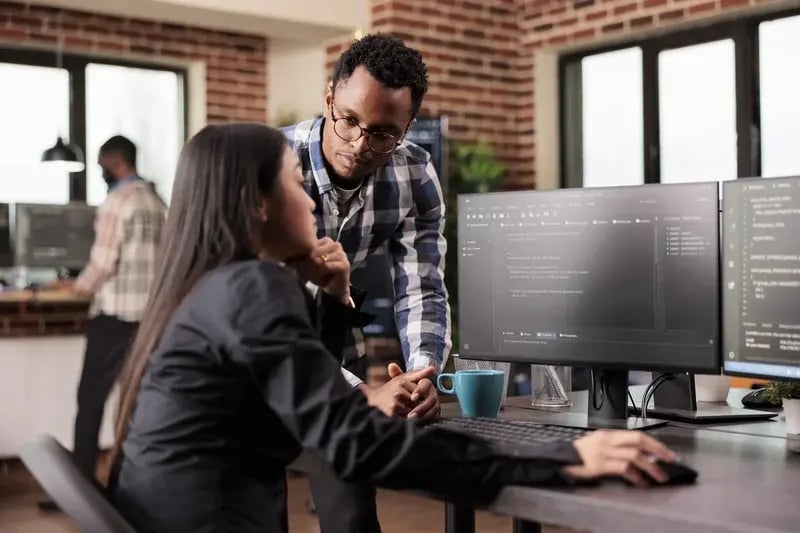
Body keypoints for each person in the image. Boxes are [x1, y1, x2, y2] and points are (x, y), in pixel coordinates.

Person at [109, 122, 679, 533]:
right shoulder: (251, 289)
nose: (308, 201)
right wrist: (564, 459)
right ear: (257, 205)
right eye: (292, 183)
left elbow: (308, 402)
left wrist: (333, 299)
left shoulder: (209, 288)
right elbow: (357, 443)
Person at [282, 35, 448, 530]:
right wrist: (363, 396)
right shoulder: (274, 165)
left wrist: (421, 376)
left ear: (406, 127)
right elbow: (261, 327)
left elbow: (422, 287)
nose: (359, 145)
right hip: (261, 349)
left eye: (382, 133)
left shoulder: (413, 172)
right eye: (349, 120)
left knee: (351, 517)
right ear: (330, 98)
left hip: (336, 336)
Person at [39, 135, 166, 512]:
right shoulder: (156, 202)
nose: (98, 171)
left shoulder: (119, 201)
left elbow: (103, 264)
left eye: (99, 163)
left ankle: (76, 492)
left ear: (113, 161)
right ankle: (127, 489)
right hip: (149, 319)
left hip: (114, 317)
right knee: (136, 405)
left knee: (91, 401)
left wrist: (75, 286)